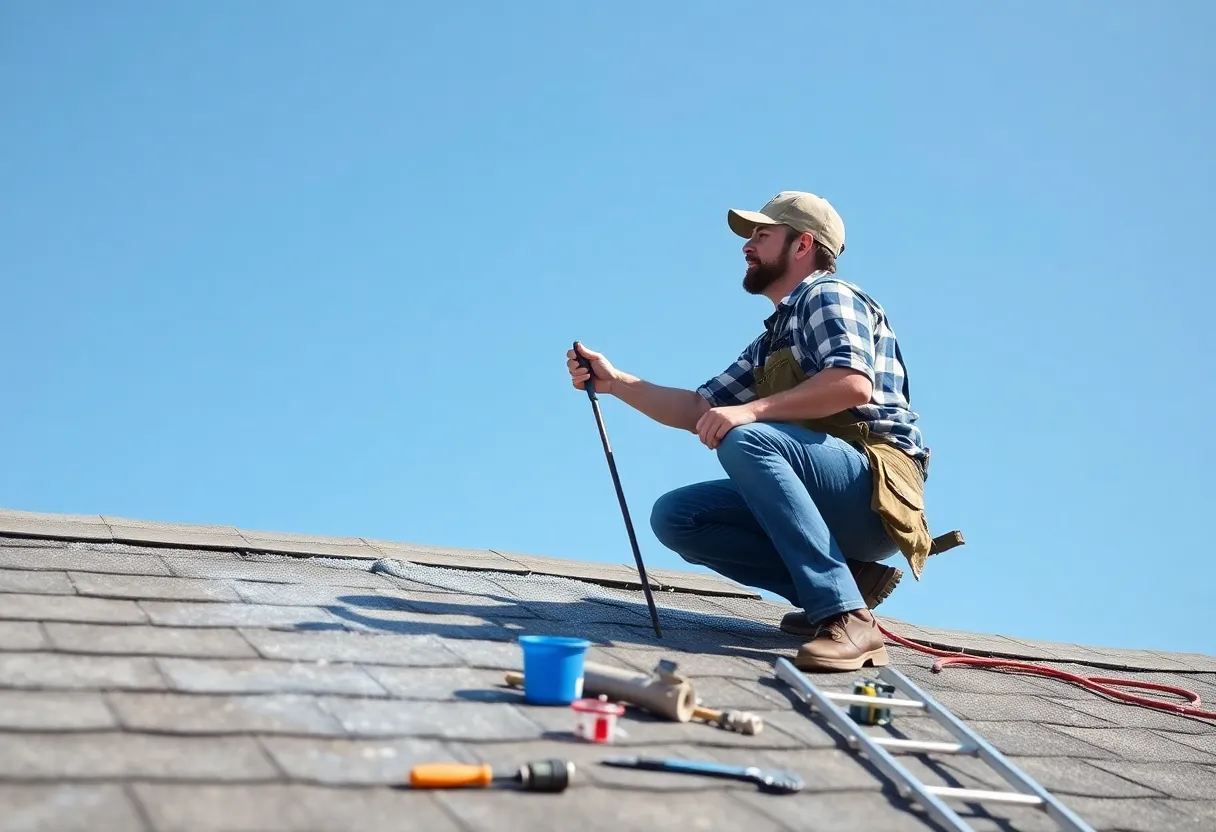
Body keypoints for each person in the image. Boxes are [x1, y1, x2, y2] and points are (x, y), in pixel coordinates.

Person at [566, 190, 960, 671]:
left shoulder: (827, 296)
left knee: (745, 436)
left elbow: (852, 383)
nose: (747, 246)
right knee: (678, 516)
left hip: (874, 492)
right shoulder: (771, 339)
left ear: (803, 245)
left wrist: (750, 412)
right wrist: (616, 383)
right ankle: (846, 586)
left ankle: (845, 616)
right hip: (827, 492)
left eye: (762, 235)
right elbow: (699, 408)